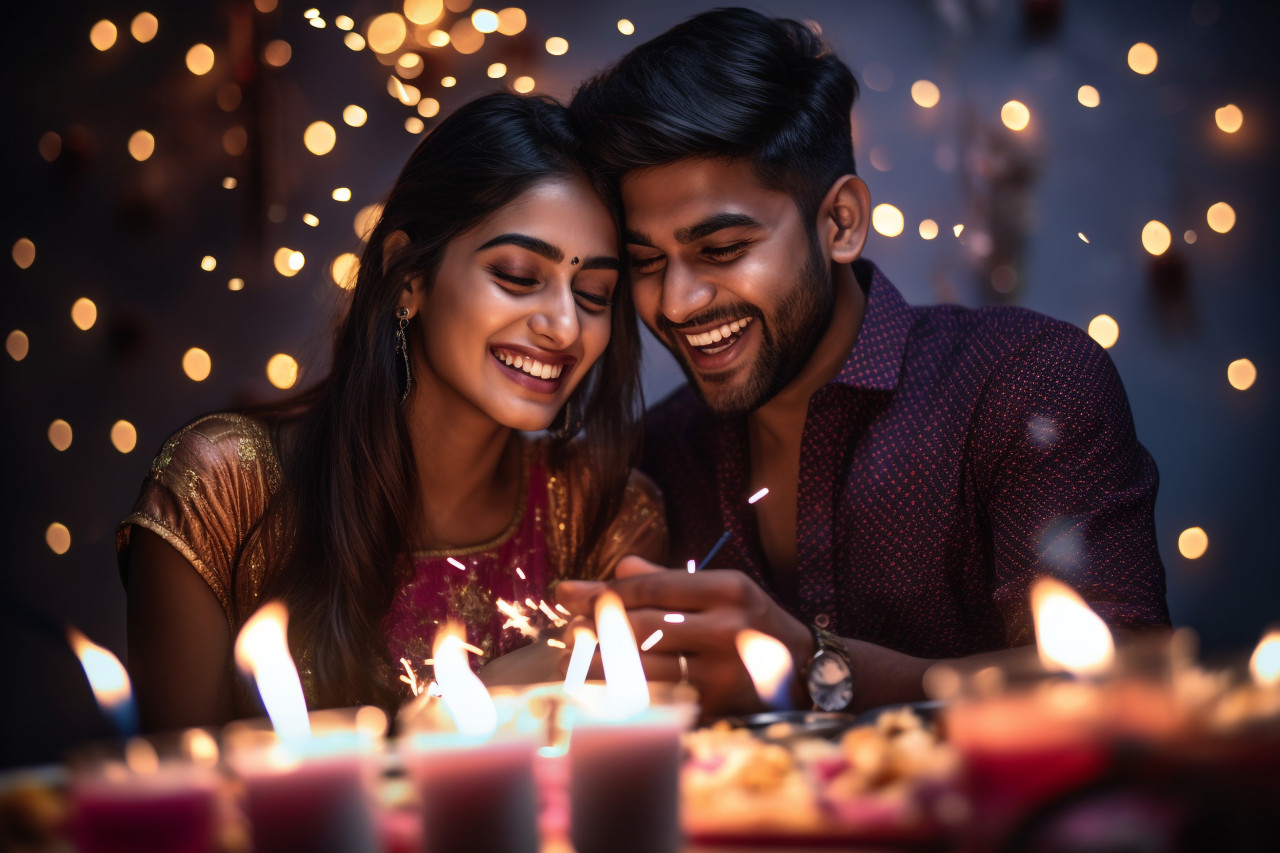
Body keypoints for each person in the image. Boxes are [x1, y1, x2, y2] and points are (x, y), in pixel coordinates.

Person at [559, 8, 1169, 717]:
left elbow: (1127, 687)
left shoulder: (1027, 382)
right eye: (645, 262)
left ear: (841, 223)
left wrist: (817, 670)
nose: (677, 301)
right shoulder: (658, 457)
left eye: (722, 250)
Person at [118, 93, 665, 731]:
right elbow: (185, 809)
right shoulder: (227, 487)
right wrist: (463, 712)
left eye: (594, 293)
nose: (565, 327)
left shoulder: (608, 517)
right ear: (407, 276)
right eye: (518, 275)